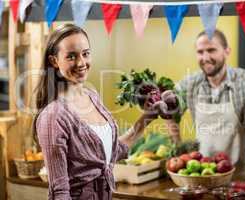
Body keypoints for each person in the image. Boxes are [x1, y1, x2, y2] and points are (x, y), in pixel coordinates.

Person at [33, 24, 155, 200]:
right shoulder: (53, 116)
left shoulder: (92, 97)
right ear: (54, 61)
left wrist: (149, 116)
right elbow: (59, 191)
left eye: (86, 53)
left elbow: (114, 151)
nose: (81, 63)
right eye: (71, 56)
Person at [162, 29, 245, 187]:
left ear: (227, 51)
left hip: (239, 177)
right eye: (200, 52)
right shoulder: (191, 83)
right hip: (200, 176)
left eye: (211, 50)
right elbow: (169, 112)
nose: (205, 57)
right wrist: (178, 152)